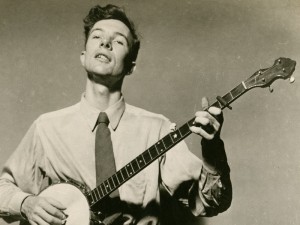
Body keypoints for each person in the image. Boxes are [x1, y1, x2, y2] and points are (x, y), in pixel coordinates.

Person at [0, 4, 232, 225]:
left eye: (119, 41)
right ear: (84, 55)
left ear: (131, 65)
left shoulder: (157, 129)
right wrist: (26, 204)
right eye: (97, 37)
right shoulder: (47, 128)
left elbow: (209, 204)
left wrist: (213, 152)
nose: (106, 43)